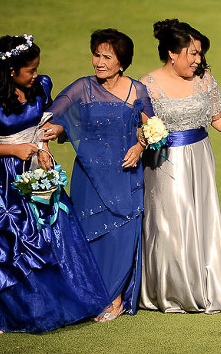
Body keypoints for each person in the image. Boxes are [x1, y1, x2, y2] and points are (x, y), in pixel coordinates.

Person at [0, 35, 109, 334]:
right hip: (5, 180)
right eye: (29, 70)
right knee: (10, 240)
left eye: (36, 69)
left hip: (39, 171)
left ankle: (60, 302)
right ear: (11, 71)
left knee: (52, 232)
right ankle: (7, 313)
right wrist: (13, 149)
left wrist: (42, 147)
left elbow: (43, 125)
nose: (35, 75)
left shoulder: (40, 86)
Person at [42, 29, 153, 321]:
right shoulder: (82, 87)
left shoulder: (137, 90)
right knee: (88, 236)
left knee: (121, 236)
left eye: (107, 56)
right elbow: (55, 116)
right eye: (96, 55)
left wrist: (140, 146)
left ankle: (114, 299)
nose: (99, 62)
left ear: (122, 62)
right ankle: (91, 296)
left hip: (126, 173)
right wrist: (57, 129)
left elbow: (154, 128)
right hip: (89, 175)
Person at [139, 20, 221, 314]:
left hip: (200, 156)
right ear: (172, 53)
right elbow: (140, 125)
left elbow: (214, 115)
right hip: (165, 160)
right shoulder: (147, 84)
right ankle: (172, 291)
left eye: (199, 54)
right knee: (169, 221)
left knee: (202, 216)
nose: (197, 60)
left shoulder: (204, 79)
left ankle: (206, 286)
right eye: (191, 53)